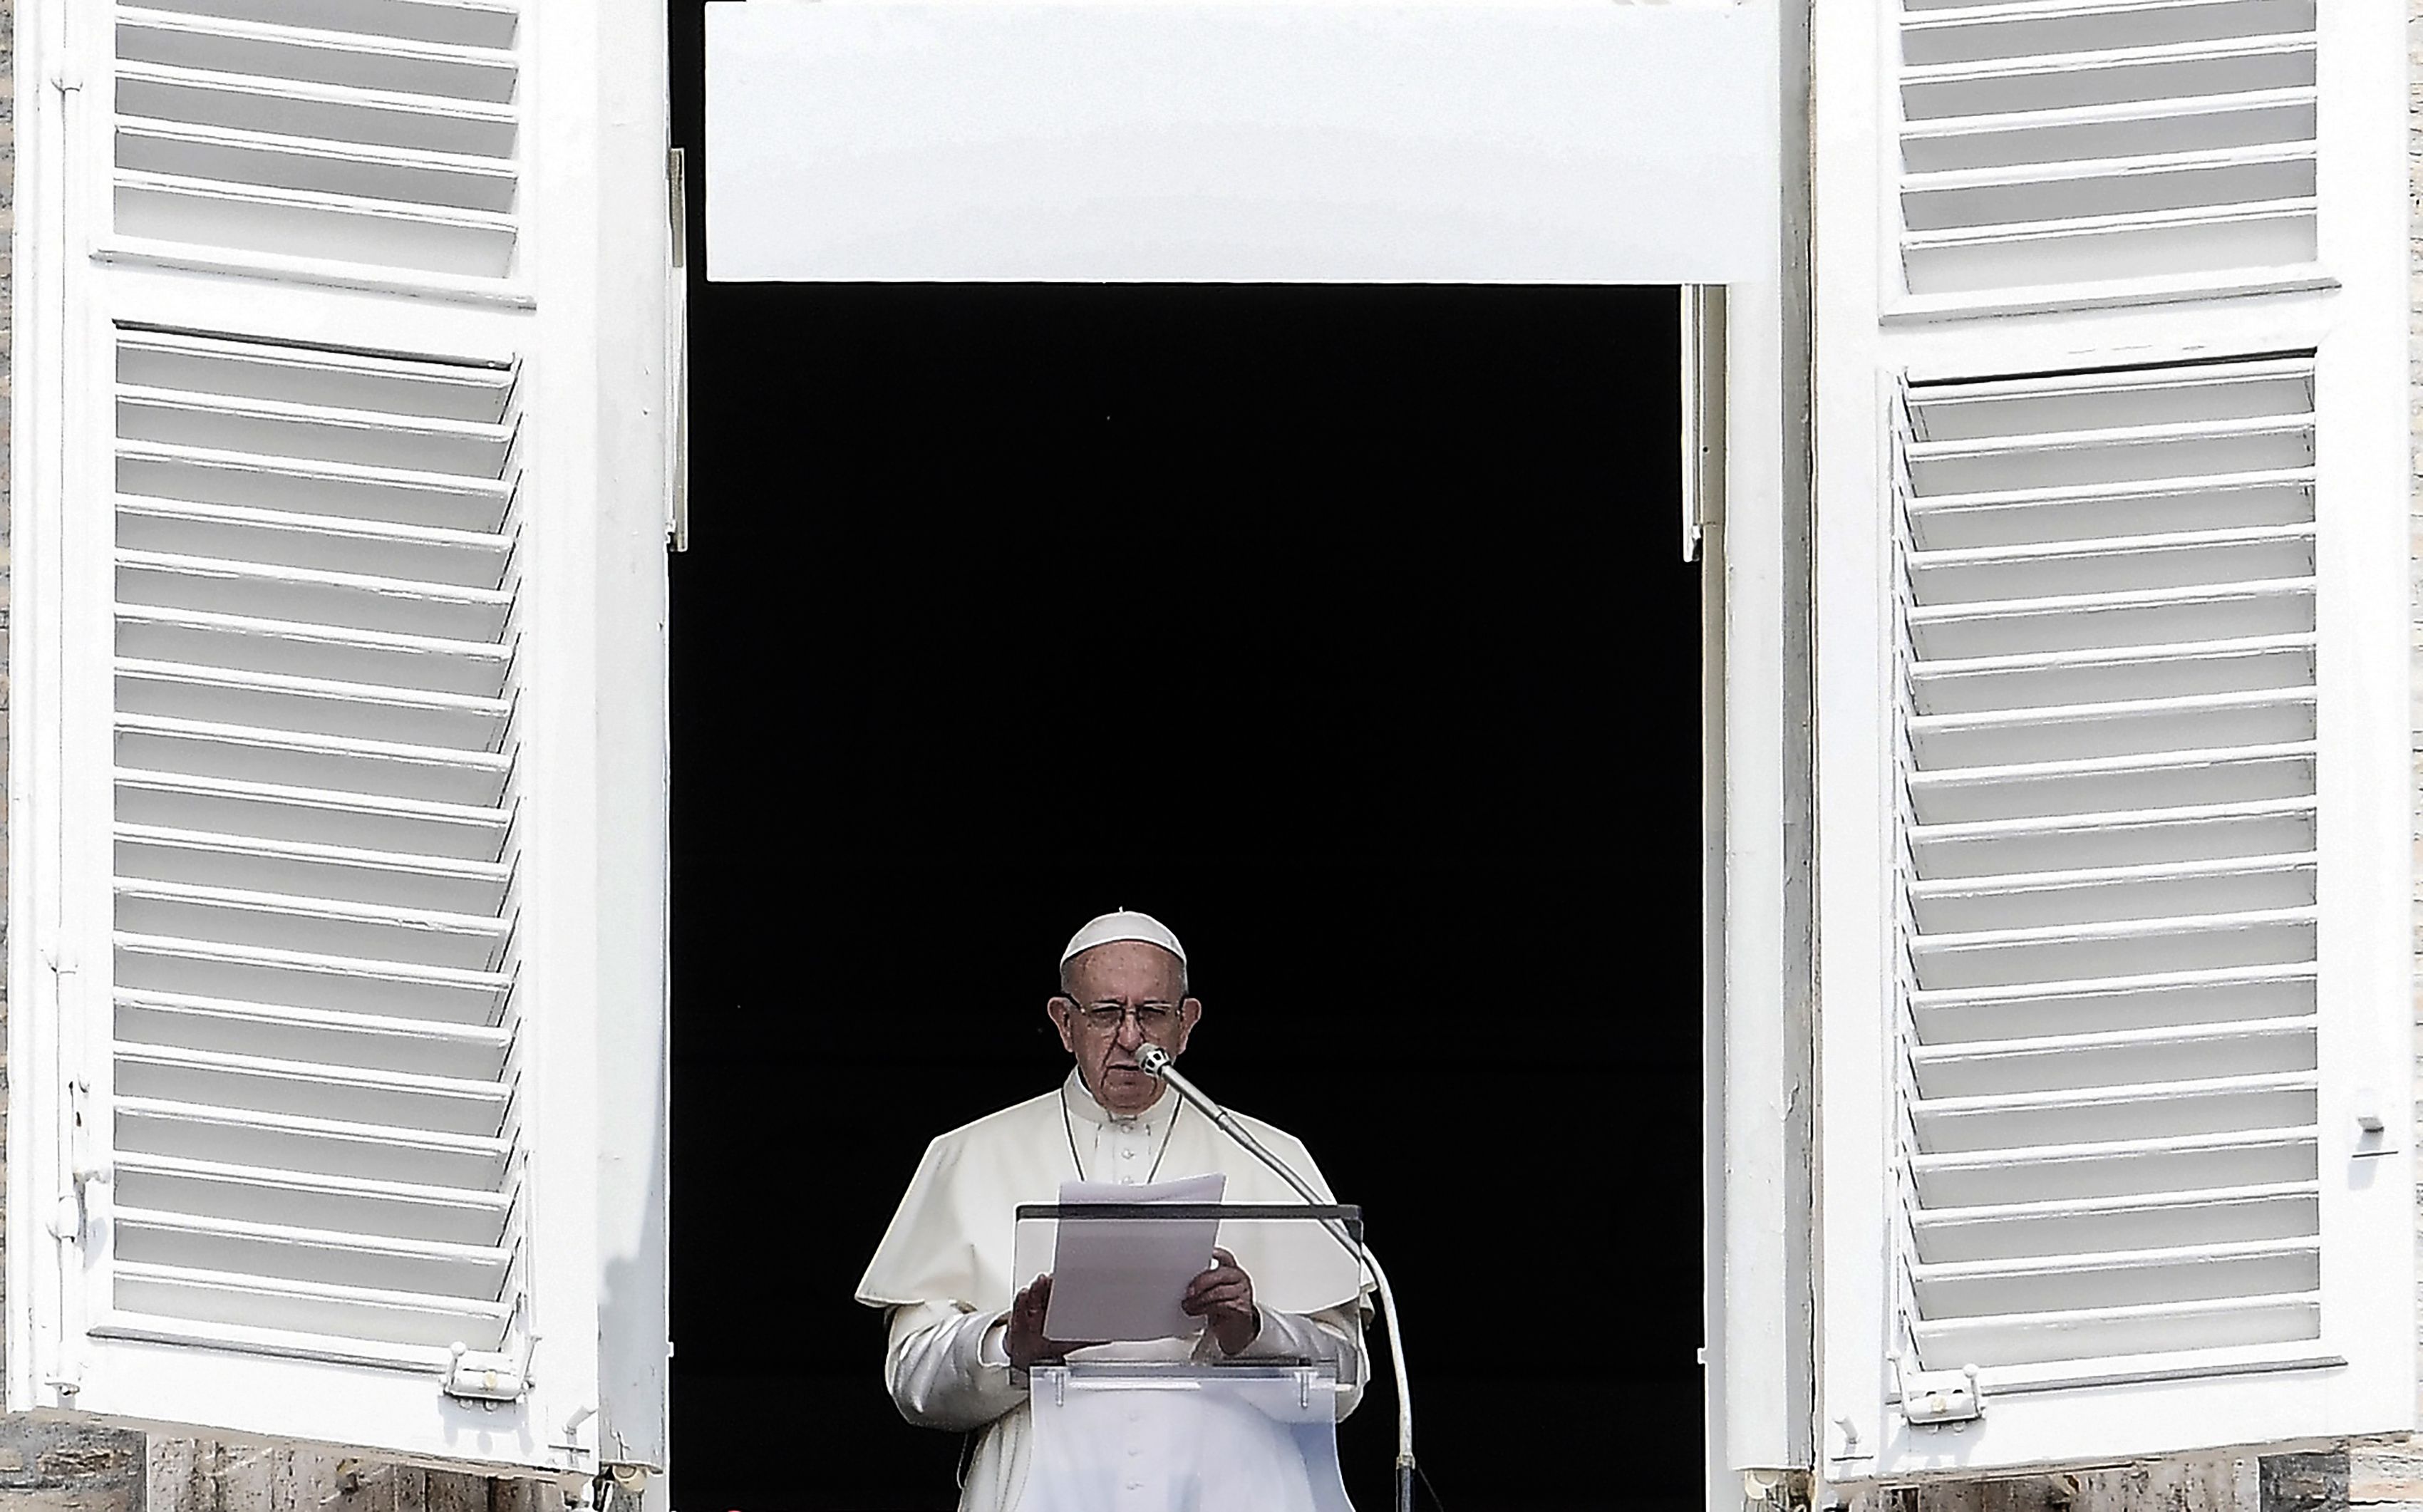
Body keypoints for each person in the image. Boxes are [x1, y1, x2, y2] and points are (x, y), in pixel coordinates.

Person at [855, 909, 1370, 1512]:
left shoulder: (1274, 1156)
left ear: (1187, 1023)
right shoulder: (969, 1153)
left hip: (1238, 1489)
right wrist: (1012, 1347)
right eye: (1105, 1014)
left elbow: (1346, 1381)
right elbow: (912, 1380)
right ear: (1064, 1022)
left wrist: (1252, 1333)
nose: (1131, 1038)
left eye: (1152, 1013)